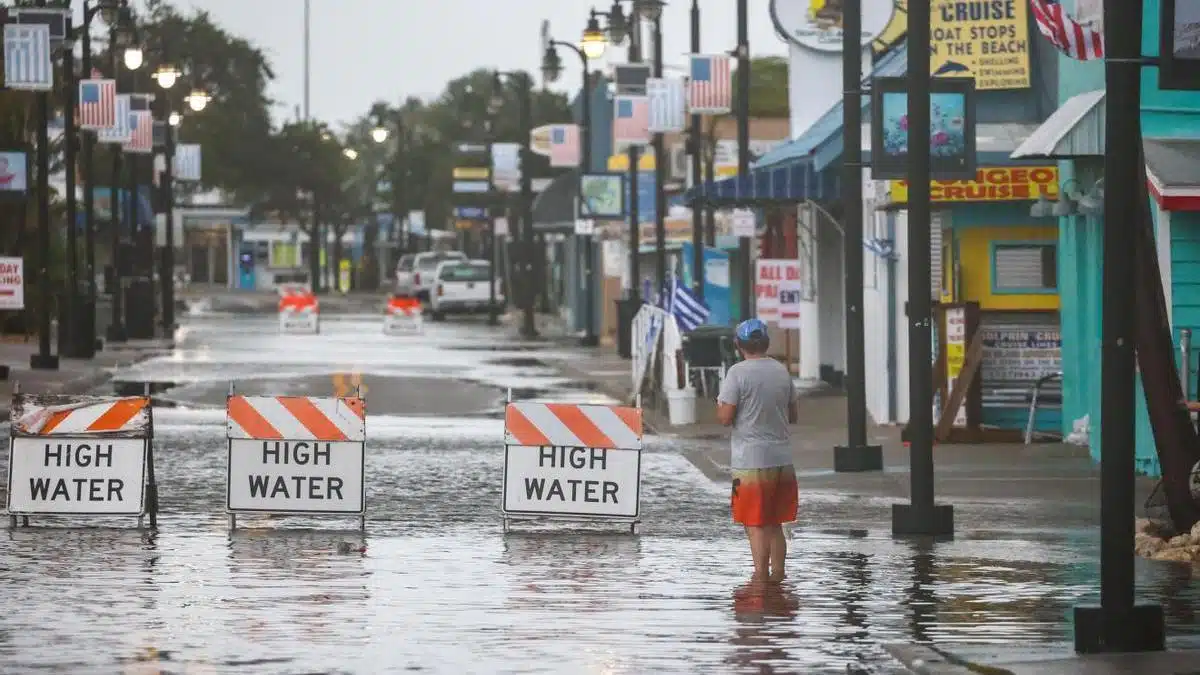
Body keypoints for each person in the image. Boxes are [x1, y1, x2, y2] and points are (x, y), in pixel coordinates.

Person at [717, 318, 798, 582]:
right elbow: (793, 414)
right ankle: (779, 576)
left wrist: (721, 405)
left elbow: (726, 417)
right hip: (782, 459)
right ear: (766, 343)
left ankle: (760, 581)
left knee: (755, 524)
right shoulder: (782, 371)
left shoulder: (737, 374)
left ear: (739, 344)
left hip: (751, 461)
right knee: (775, 522)